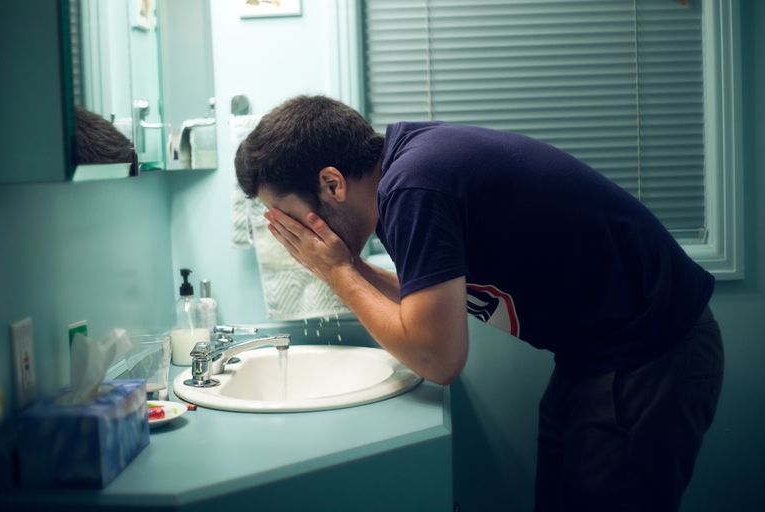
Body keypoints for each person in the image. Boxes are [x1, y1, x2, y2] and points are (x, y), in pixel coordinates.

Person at [235, 95, 724, 512]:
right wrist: (349, 267)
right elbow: (418, 311)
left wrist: (336, 271)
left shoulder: (413, 186)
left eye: (290, 219)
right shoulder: (407, 173)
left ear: (333, 184)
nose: (292, 237)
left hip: (651, 354)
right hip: (600, 358)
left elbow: (438, 356)